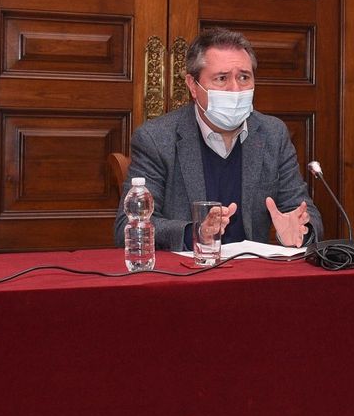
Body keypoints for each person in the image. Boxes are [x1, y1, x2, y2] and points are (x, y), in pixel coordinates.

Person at [114, 27, 323, 251]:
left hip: (252, 276)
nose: (235, 89)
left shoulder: (273, 134)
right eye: (221, 78)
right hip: (188, 277)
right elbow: (130, 225)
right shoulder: (156, 138)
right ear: (193, 86)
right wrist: (195, 233)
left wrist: (302, 230)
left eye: (244, 77)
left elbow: (306, 214)